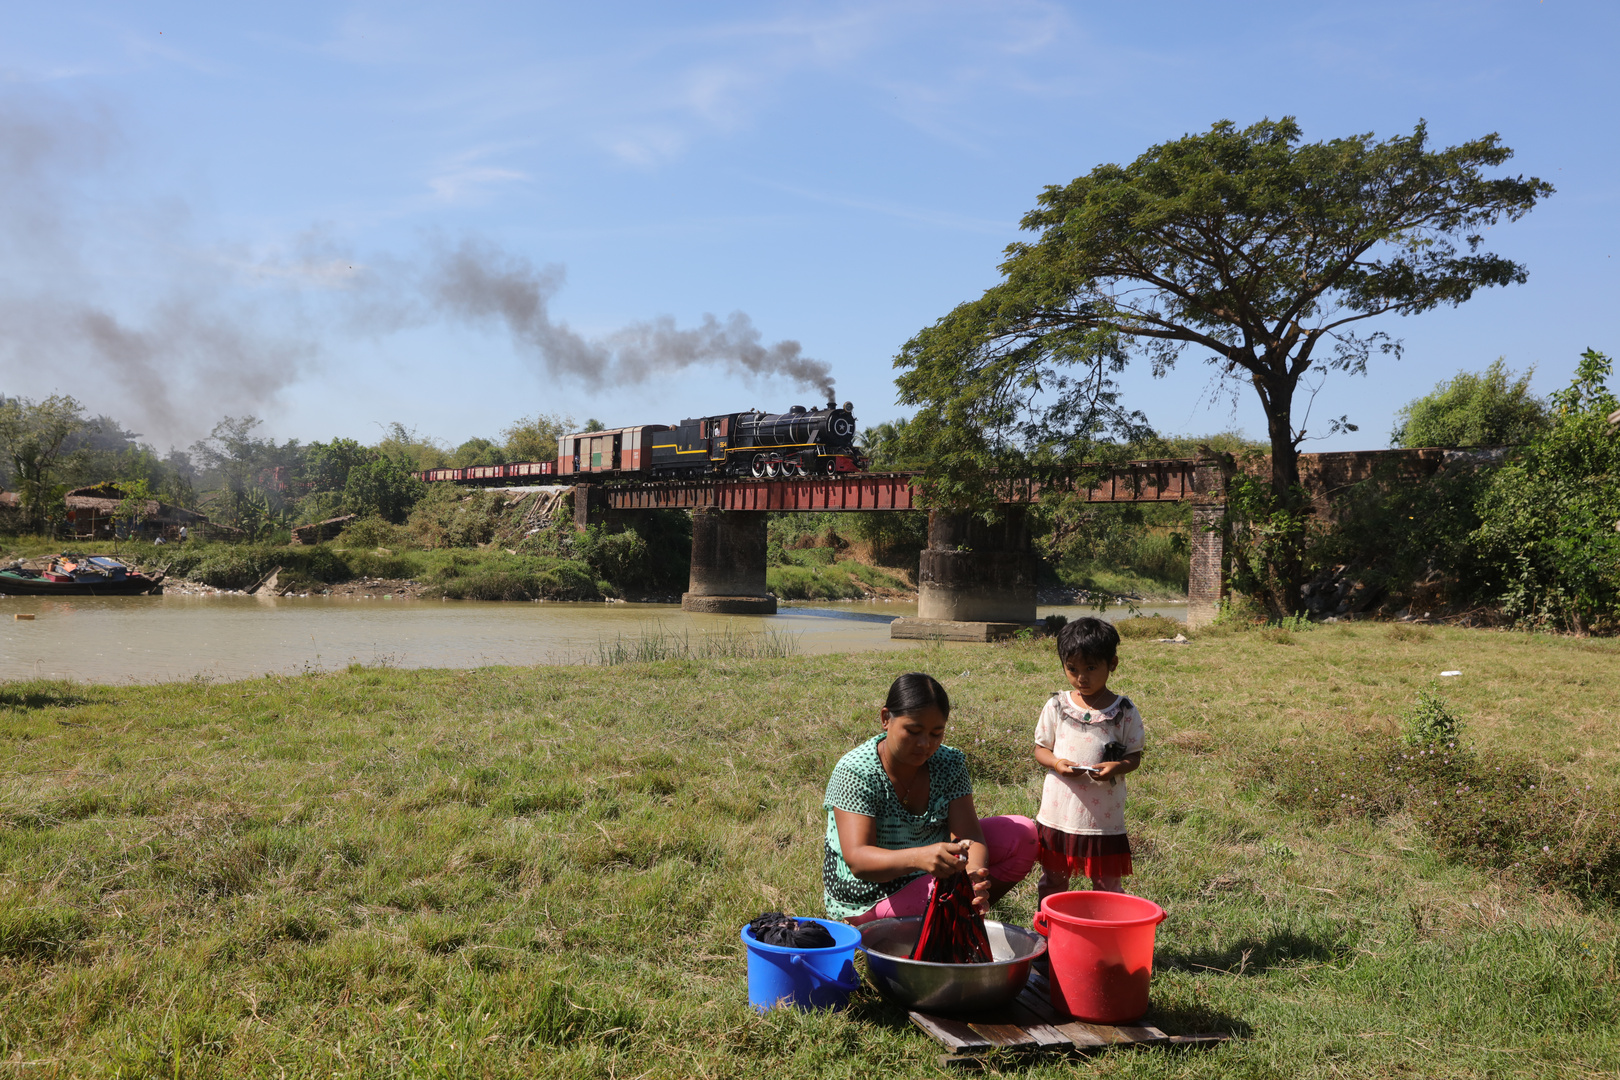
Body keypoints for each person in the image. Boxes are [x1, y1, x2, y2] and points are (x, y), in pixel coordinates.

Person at [823, 672, 1036, 925]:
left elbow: (970, 836)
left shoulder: (949, 763)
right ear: (885, 719)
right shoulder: (856, 770)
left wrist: (972, 877)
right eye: (913, 731)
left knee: (1023, 834)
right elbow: (859, 860)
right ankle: (936, 921)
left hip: (932, 872)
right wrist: (918, 858)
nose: (925, 744)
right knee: (941, 897)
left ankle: (964, 916)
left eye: (936, 733)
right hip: (870, 893)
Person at [1032, 618, 1145, 902]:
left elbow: (1134, 756)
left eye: (1091, 668)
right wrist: (1057, 763)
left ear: (1113, 663)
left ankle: (1105, 935)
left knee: (1108, 887)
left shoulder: (1124, 711)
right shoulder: (1057, 705)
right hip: (1060, 812)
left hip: (1102, 817)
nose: (1081, 677)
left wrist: (1116, 767)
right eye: (1072, 669)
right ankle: (1048, 933)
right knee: (1053, 881)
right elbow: (1041, 749)